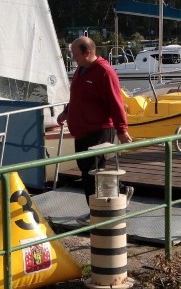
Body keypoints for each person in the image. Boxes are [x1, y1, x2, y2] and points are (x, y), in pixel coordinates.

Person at [58, 36, 133, 223]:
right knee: (88, 170)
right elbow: (78, 96)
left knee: (93, 172)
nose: (73, 58)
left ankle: (96, 213)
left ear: (88, 52)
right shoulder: (81, 70)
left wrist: (122, 131)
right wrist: (66, 112)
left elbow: (116, 103)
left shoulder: (104, 72)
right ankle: (121, 190)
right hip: (82, 130)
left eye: (75, 55)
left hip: (98, 130)